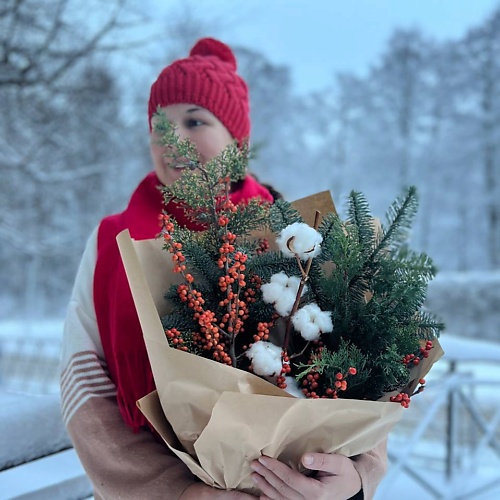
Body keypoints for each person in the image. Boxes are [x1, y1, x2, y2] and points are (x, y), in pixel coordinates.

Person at [60, 37, 387, 500]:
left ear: (238, 142)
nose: (172, 140)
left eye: (194, 120)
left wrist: (356, 477)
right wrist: (176, 494)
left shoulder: (295, 235)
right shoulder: (113, 243)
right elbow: (83, 381)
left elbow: (365, 365)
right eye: (158, 126)